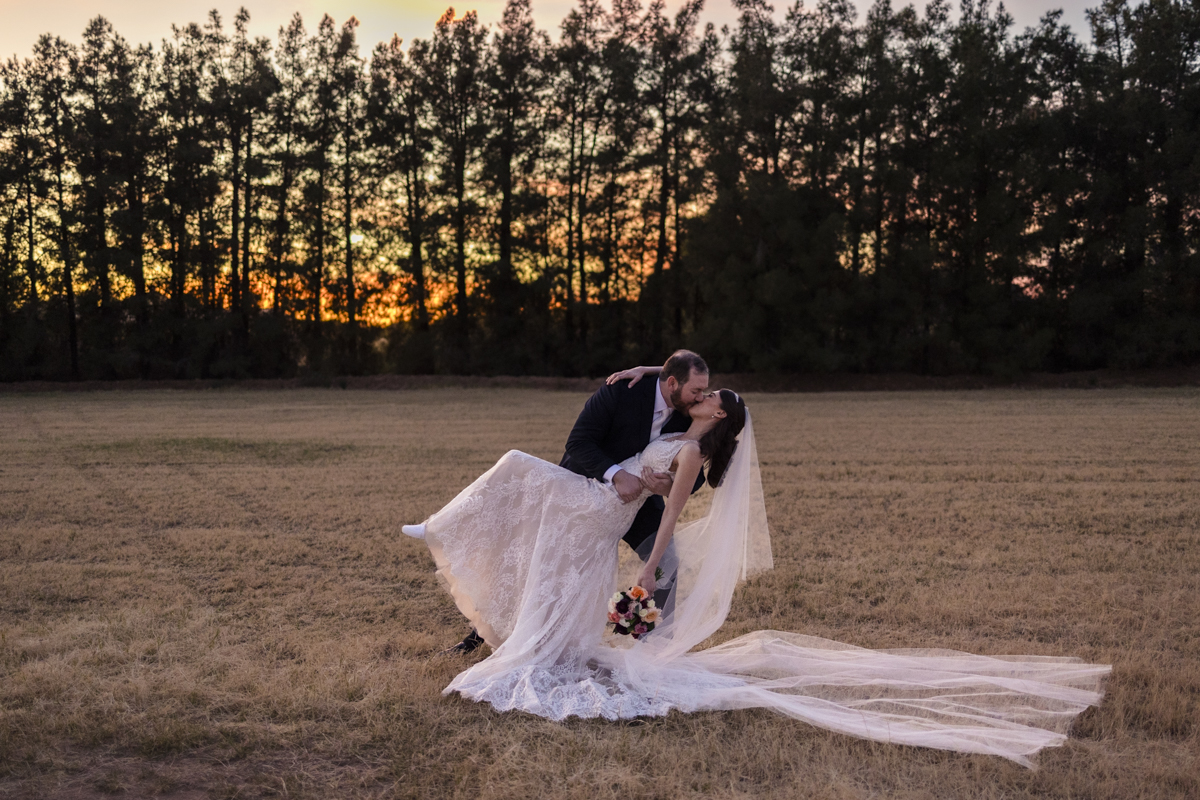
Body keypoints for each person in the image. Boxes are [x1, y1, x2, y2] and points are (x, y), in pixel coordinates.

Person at [401, 380, 1111, 767]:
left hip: (602, 517)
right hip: (594, 514)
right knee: (544, 550)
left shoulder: (688, 456)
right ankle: (509, 614)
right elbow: (661, 399)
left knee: (519, 470)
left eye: (711, 398)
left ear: (719, 415)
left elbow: (671, 514)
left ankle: (447, 539)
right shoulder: (682, 434)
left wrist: (649, 569)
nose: (703, 396)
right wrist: (628, 378)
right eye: (702, 392)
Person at [428, 350, 711, 654]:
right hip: (583, 493)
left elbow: (696, 477)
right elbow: (578, 442)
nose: (700, 397)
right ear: (671, 383)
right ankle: (480, 635)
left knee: (666, 564)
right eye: (695, 390)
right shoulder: (620, 390)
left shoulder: (690, 409)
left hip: (635, 507)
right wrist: (616, 475)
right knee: (540, 567)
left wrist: (668, 485)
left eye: (701, 391)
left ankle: (653, 650)